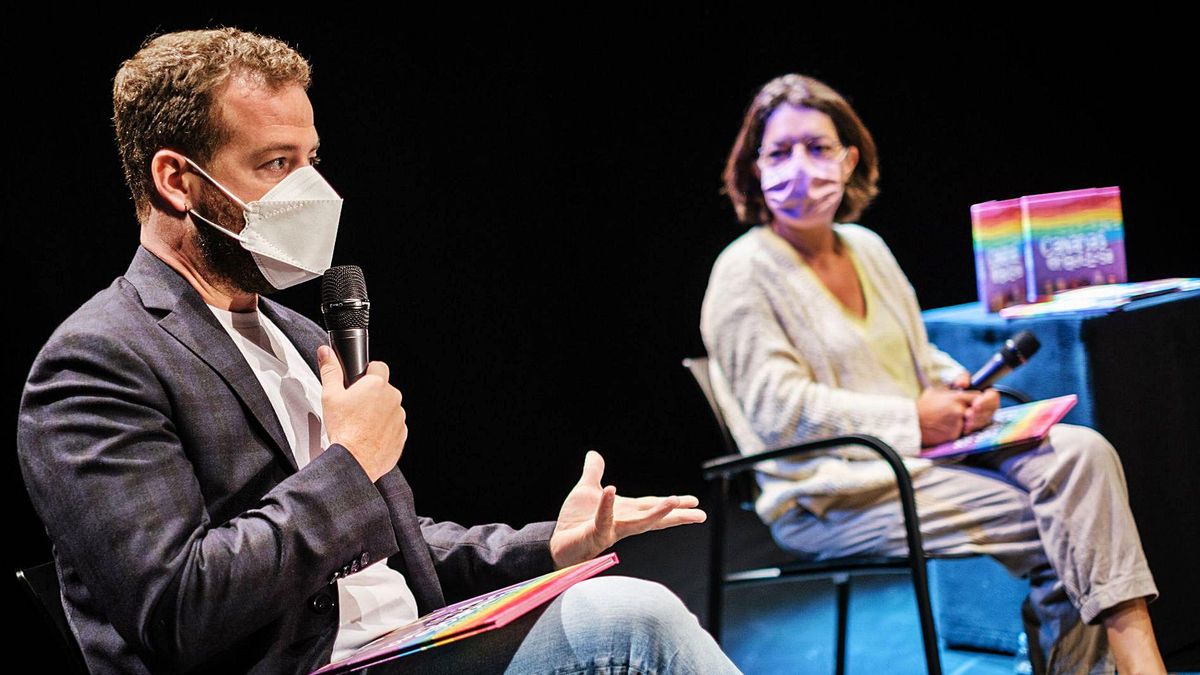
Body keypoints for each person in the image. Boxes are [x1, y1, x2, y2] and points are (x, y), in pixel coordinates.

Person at [16, 28, 741, 674]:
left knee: (612, 606)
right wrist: (349, 464)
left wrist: (551, 545)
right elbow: (180, 609)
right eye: (275, 163)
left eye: (311, 159)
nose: (312, 189)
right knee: (626, 623)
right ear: (177, 180)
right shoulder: (96, 363)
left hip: (407, 642)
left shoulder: (297, 336)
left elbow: (398, 552)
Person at [700, 73, 1165, 675]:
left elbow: (919, 357)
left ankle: (1129, 657)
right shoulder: (742, 274)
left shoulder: (867, 248)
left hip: (921, 457)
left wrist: (957, 390)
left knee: (1083, 453)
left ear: (849, 159)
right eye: (779, 151)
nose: (800, 166)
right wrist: (913, 420)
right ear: (753, 167)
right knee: (1071, 527)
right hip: (830, 492)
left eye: (817, 148)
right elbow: (781, 414)